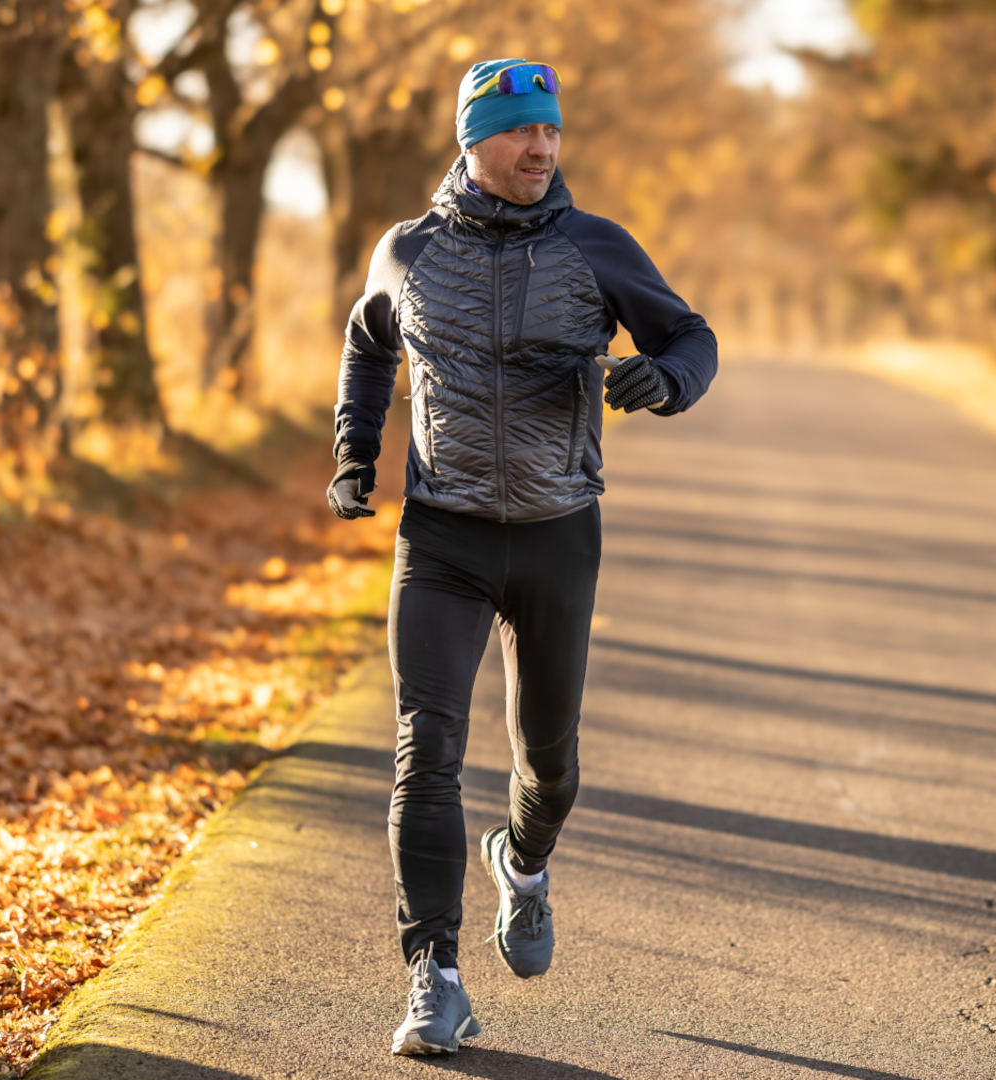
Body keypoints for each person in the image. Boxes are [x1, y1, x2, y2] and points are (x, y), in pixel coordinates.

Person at [326, 57, 718, 1056]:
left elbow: (691, 335)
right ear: (473, 142)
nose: (543, 149)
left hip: (556, 536)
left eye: (552, 132)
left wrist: (663, 381)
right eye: (521, 133)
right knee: (427, 752)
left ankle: (524, 861)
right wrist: (353, 453)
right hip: (444, 536)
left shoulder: (595, 247)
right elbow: (369, 343)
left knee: (549, 764)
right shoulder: (407, 252)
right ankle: (435, 978)